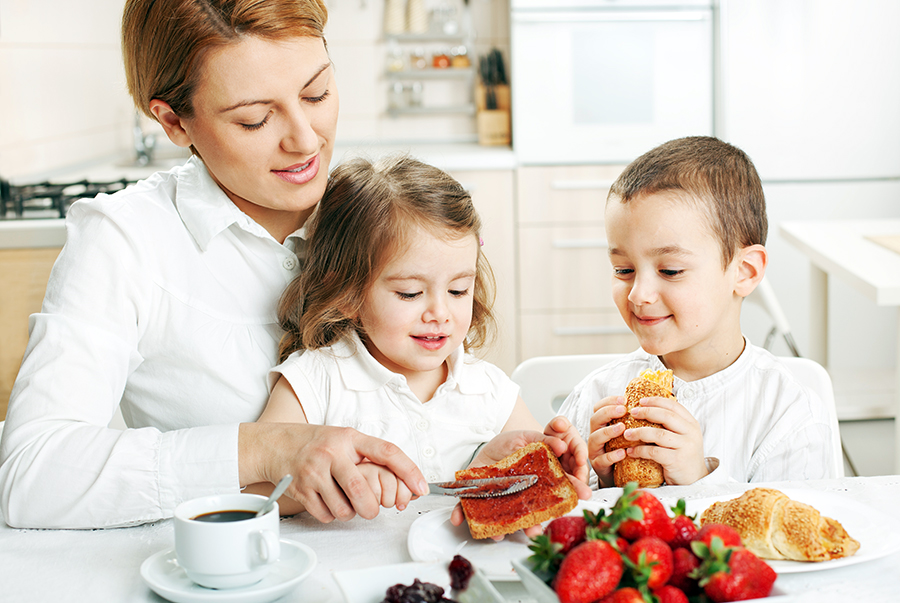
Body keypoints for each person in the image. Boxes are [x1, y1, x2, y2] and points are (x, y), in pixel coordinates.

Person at [0, 0, 429, 530]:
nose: (305, 139)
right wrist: (262, 448)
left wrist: (484, 452)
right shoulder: (125, 241)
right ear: (175, 122)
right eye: (254, 120)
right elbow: (33, 474)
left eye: (318, 92)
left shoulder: (378, 212)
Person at [257, 155, 591, 516]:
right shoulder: (313, 381)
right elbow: (255, 493)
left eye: (459, 290)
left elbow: (545, 482)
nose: (440, 313)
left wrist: (557, 462)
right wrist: (336, 484)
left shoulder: (489, 389)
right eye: (410, 294)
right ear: (348, 294)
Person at [558, 136, 837, 487]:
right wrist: (598, 482)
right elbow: (558, 522)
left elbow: (788, 532)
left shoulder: (788, 414)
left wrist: (699, 481)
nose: (639, 294)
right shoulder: (596, 395)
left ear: (745, 271)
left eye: (670, 271)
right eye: (623, 270)